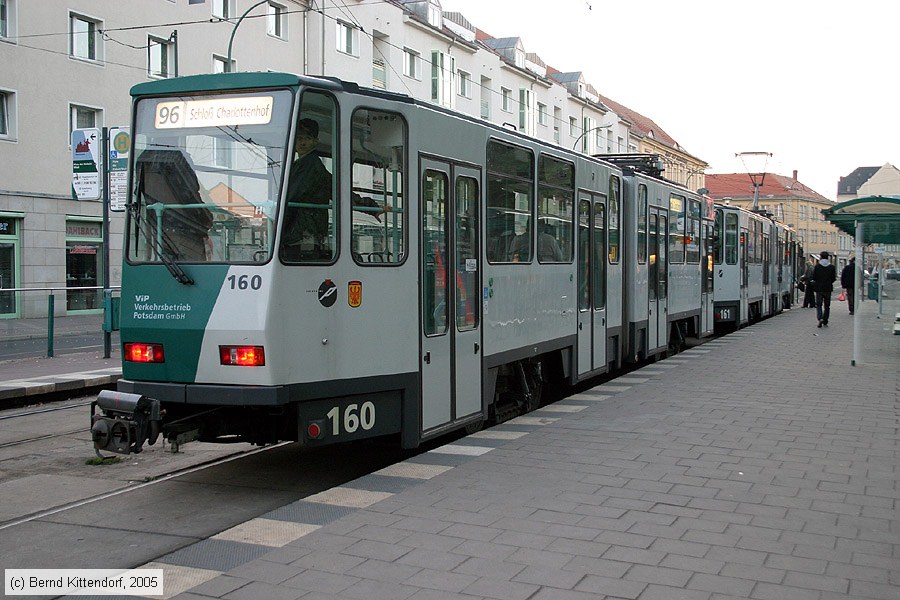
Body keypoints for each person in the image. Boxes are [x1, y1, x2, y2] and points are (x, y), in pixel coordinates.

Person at [281, 118, 387, 261]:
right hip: (306, 232)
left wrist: (279, 224)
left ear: (315, 141)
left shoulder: (309, 165)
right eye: (299, 138)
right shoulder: (305, 164)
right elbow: (337, 191)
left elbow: (292, 196)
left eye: (307, 138)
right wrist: (371, 207)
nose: (302, 142)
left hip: (301, 232)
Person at [811, 251, 837, 328]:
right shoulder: (831, 267)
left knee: (819, 304)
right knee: (827, 305)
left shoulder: (817, 266)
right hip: (828, 288)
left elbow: (814, 277)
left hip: (819, 288)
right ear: (828, 257)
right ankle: (825, 319)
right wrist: (828, 282)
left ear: (821, 257)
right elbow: (833, 278)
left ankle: (820, 318)